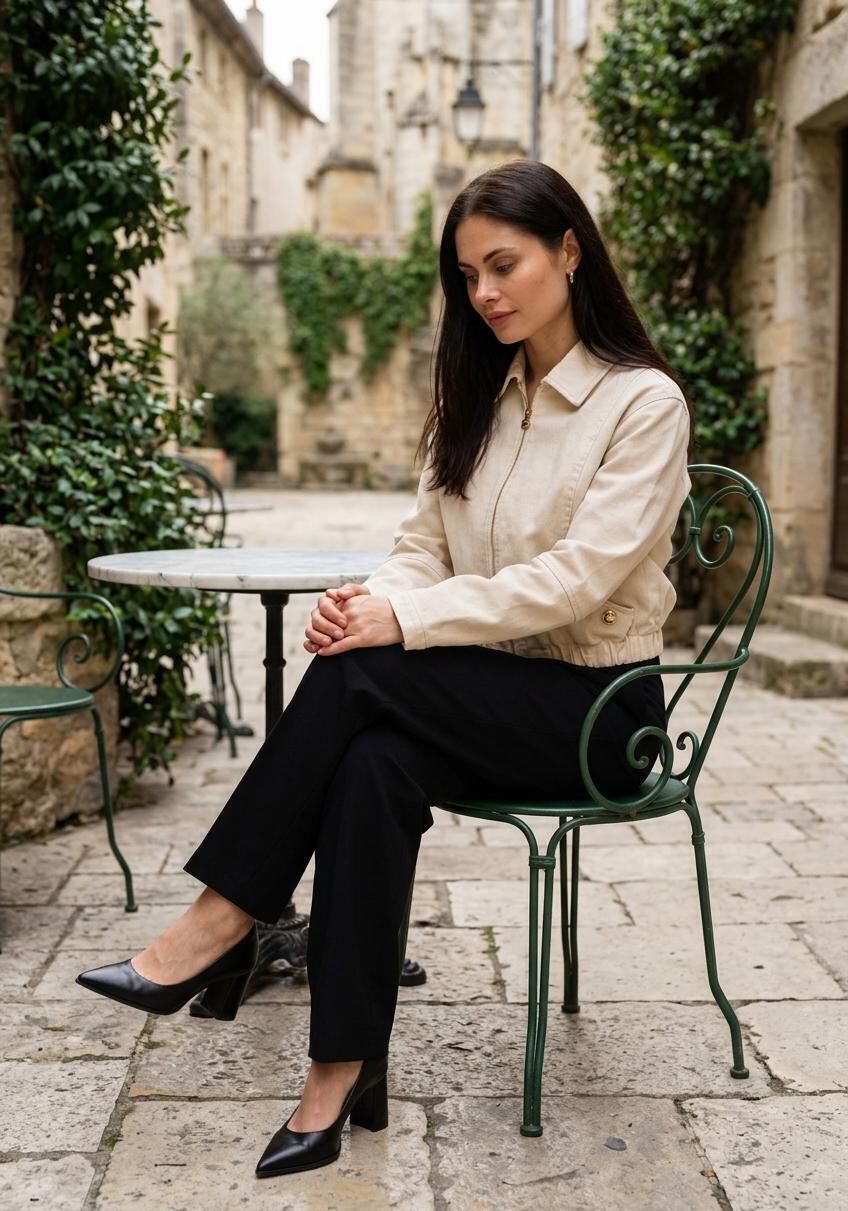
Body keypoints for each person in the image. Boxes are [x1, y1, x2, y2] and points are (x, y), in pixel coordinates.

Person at [76, 159, 692, 1179]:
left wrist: (397, 620)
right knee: (371, 761)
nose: (483, 293)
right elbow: (421, 547)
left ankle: (220, 921)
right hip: (479, 697)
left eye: (503, 265)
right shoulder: (476, 397)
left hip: (597, 714)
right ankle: (340, 1069)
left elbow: (577, 579)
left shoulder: (641, 403)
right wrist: (373, 601)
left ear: (569, 251)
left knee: (364, 674)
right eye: (467, 275)